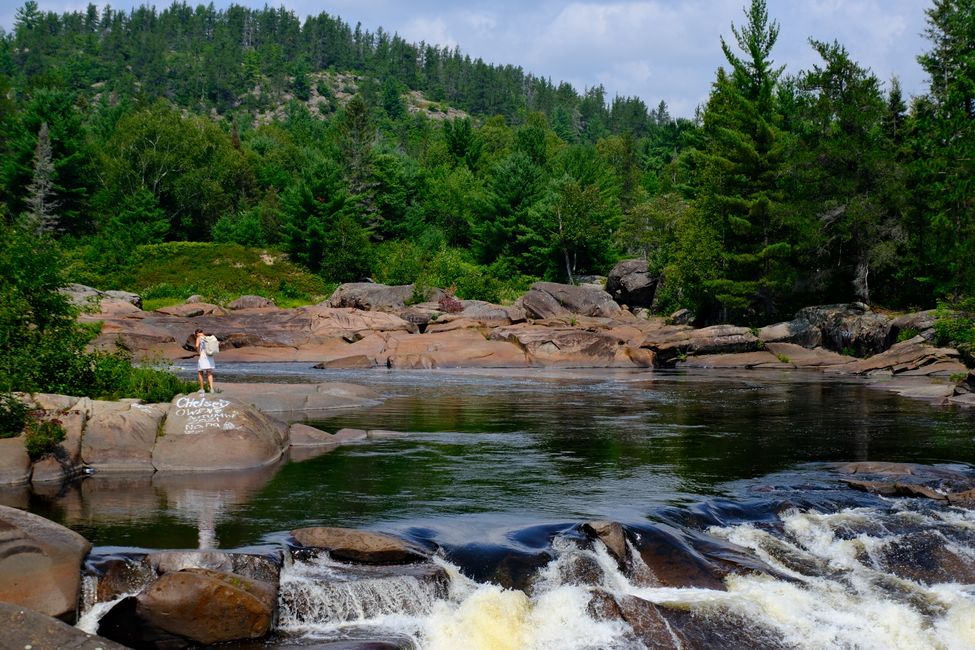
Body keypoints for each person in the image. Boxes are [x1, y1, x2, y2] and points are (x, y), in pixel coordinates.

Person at [194, 328, 216, 394]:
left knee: (200, 372)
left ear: (197, 333)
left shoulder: (199, 338)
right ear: (202, 332)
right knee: (209, 372)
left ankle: (202, 389)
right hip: (210, 356)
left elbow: (196, 346)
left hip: (203, 356)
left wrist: (197, 350)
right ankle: (211, 389)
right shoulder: (207, 338)